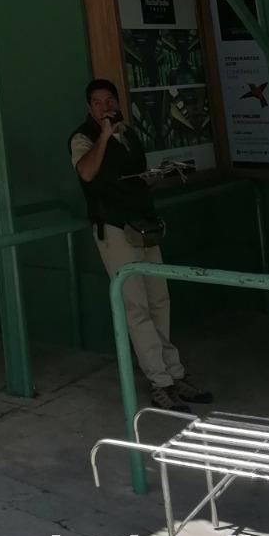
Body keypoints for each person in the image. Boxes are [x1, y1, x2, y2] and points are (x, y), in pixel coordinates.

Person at [70, 78, 210, 413]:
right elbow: (86, 173)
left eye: (109, 100)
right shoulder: (82, 137)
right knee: (136, 306)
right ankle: (160, 382)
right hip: (114, 228)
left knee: (159, 299)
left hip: (143, 223)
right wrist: (104, 135)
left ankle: (174, 373)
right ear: (89, 107)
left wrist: (153, 177)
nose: (105, 107)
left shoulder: (129, 133)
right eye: (97, 102)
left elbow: (134, 175)